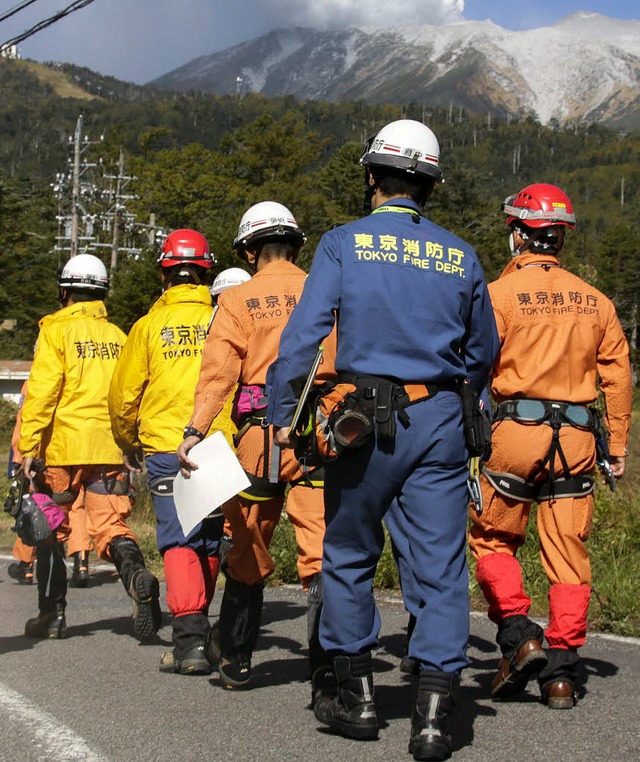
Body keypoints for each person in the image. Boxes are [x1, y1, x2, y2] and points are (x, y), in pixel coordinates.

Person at [266, 119, 499, 761]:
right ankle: (432, 713)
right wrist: (461, 398)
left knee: (347, 553)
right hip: (442, 423)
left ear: (373, 178)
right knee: (442, 563)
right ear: (429, 185)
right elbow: (483, 351)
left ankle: (358, 698)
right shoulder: (460, 254)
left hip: (363, 421)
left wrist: (284, 415)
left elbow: (302, 340)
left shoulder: (344, 243)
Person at [468, 183, 632, 709]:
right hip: (580, 440)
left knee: (492, 540)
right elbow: (619, 379)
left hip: (516, 434)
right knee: (568, 556)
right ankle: (561, 673)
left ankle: (519, 633)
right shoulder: (597, 301)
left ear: (520, 233)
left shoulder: (496, 296)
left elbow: (472, 367)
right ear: (559, 237)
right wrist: (621, 447)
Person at [177, 201, 334, 693]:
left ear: (249, 250)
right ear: (294, 244)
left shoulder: (238, 301)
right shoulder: (326, 290)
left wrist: (195, 431)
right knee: (323, 549)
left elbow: (219, 374)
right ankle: (328, 666)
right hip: (318, 438)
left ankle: (237, 661)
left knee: (247, 542)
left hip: (260, 441)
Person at [109, 232, 241, 675]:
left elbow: (124, 395)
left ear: (165, 273)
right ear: (206, 271)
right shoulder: (225, 317)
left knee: (179, 539)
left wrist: (128, 440)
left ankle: (188, 645)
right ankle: (202, 634)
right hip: (220, 440)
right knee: (206, 538)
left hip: (168, 445)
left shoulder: (148, 326)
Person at [18, 253, 161, 640]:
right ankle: (137, 578)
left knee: (50, 529)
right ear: (101, 293)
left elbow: (43, 393)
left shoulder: (54, 332)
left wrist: (29, 446)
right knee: (112, 525)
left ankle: (52, 616)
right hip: (110, 450)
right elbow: (134, 391)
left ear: (64, 291)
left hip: (62, 450)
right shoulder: (118, 336)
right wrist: (131, 441)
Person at [8, 378, 93, 588]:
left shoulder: (37, 379)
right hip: (81, 450)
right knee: (77, 506)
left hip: (47, 455)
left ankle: (27, 565)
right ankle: (81, 562)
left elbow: (25, 419)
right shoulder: (77, 376)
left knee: (37, 508)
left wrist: (18, 457)